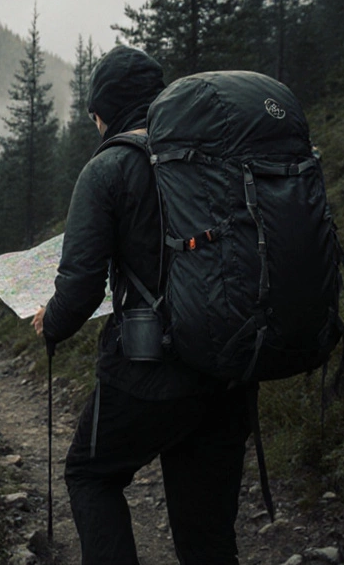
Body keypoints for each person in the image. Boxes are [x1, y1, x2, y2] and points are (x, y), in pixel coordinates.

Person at [32, 45, 251, 565]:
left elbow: (82, 287)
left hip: (151, 372)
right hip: (229, 366)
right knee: (208, 538)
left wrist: (51, 325)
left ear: (105, 110)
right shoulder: (214, 154)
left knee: (90, 474)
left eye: (93, 115)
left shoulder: (108, 168)